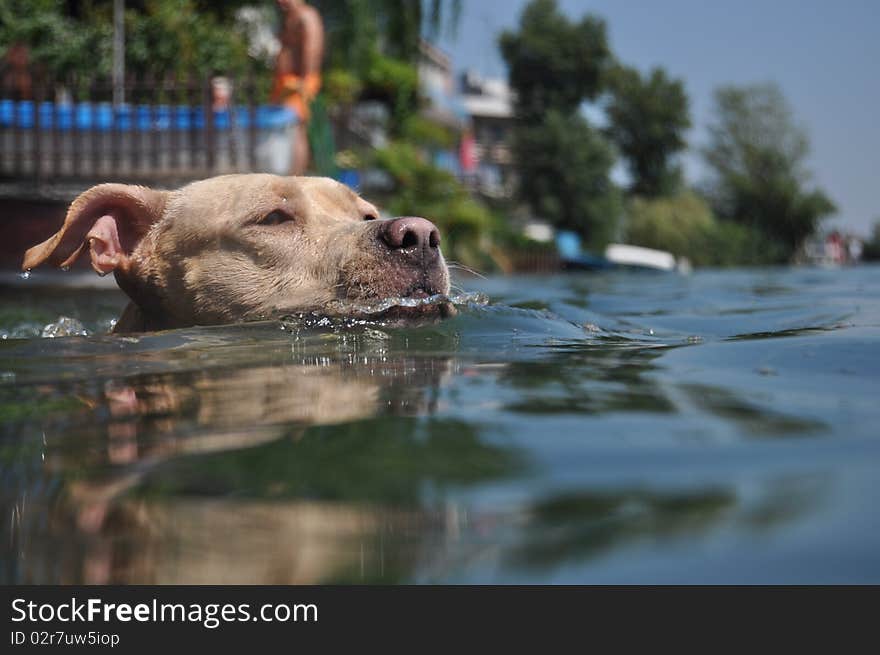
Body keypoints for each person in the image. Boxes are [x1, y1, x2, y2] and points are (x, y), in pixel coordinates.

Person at [271, 0, 325, 175]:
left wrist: (303, 83)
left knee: (295, 128)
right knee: (283, 128)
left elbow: (312, 47)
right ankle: (286, 175)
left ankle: (295, 178)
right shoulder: (289, 17)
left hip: (298, 82)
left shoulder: (306, 15)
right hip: (286, 82)